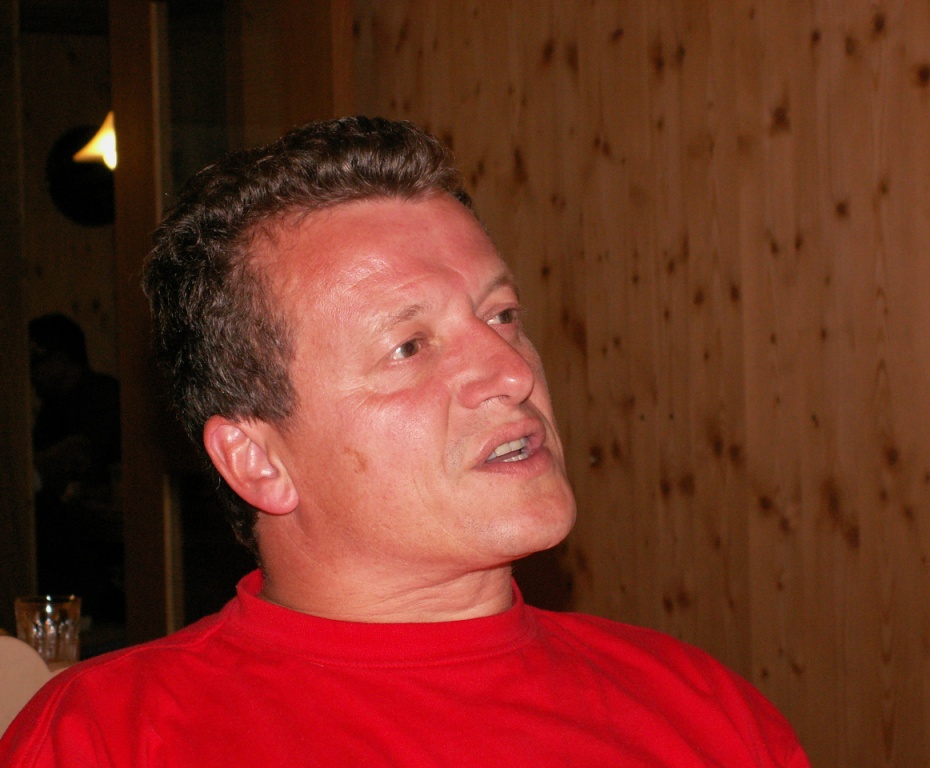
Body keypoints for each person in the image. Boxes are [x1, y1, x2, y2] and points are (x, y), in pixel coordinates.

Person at [1, 117, 810, 766]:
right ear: (259, 460)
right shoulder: (103, 740)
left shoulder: (705, 710)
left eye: (502, 316)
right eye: (410, 346)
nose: (511, 371)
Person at [28, 313, 124, 624]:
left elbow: (86, 465)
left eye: (38, 362)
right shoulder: (51, 407)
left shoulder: (102, 396)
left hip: (105, 535)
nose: (32, 374)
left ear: (63, 358)